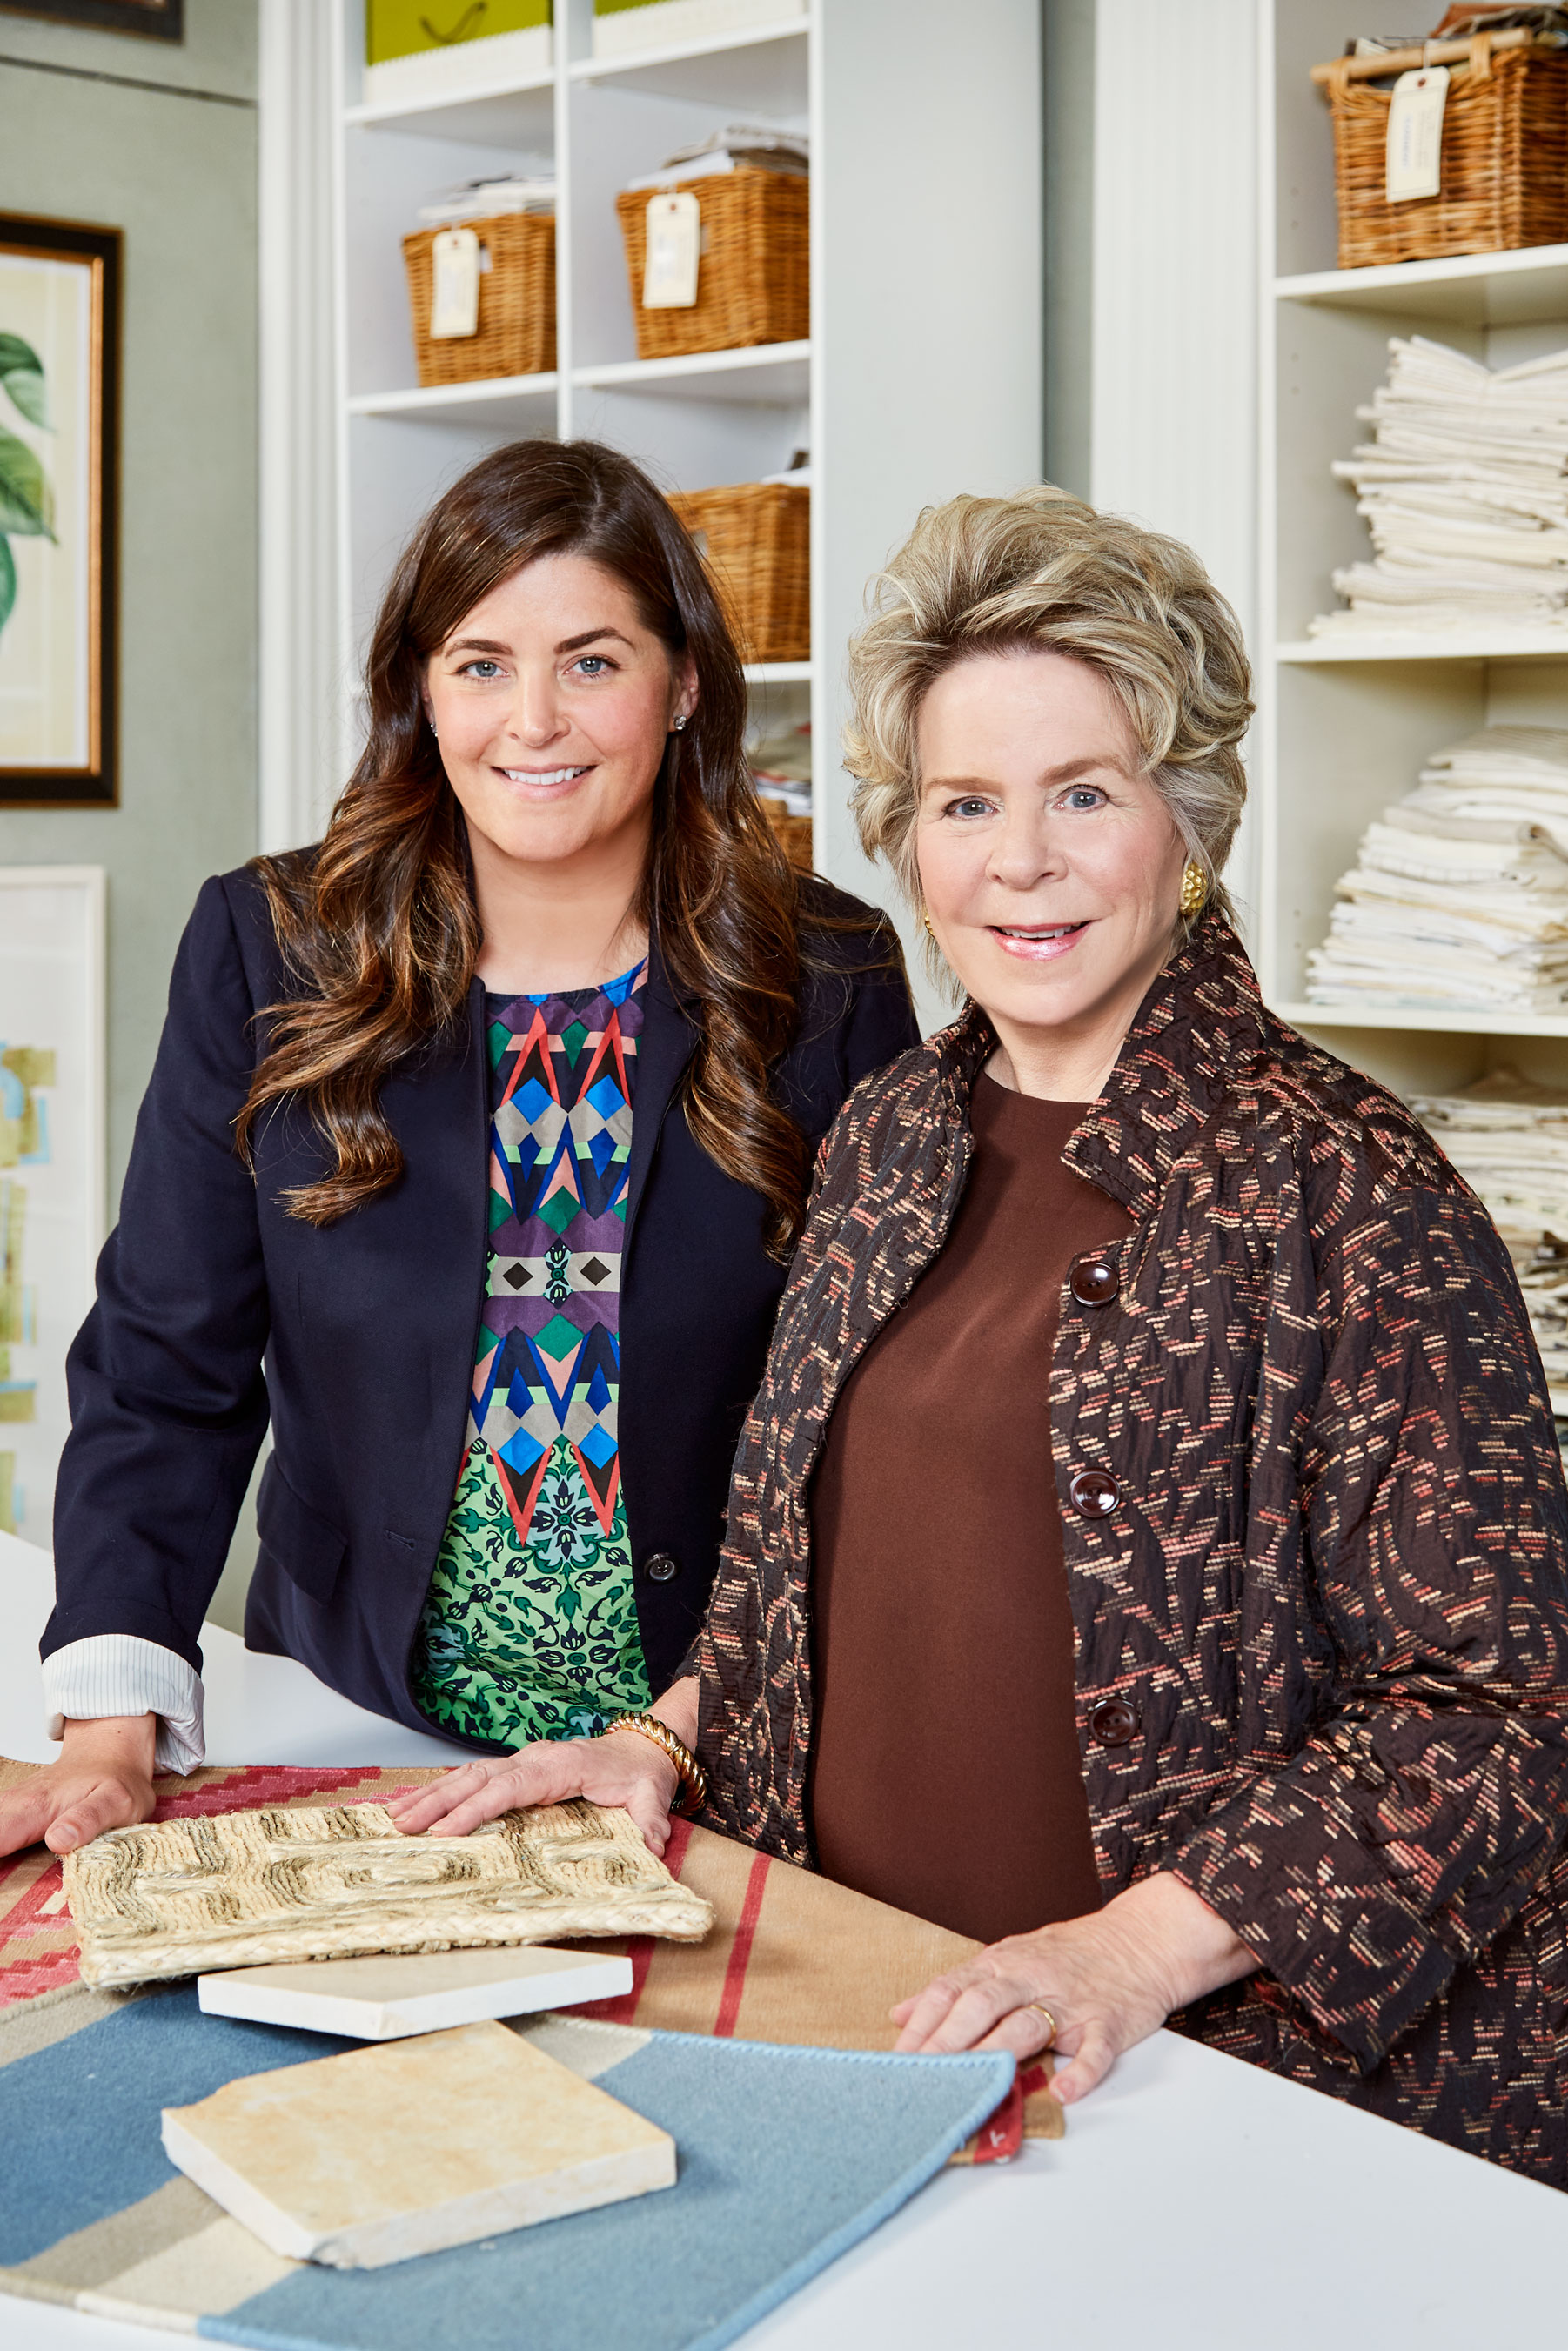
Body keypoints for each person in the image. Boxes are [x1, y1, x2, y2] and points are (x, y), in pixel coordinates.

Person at [392, 485, 1568, 2186]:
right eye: (964, 801)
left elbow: (1491, 1710)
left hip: (1204, 2081)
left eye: (1081, 792)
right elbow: (799, 1563)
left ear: (1186, 816)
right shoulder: (887, 1134)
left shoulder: (1345, 1186)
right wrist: (654, 1738)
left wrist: (1122, 1952)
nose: (1018, 858)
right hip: (869, 2022)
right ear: (907, 835)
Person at [0, 438, 917, 1864]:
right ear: (419, 692)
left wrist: (687, 1719)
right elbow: (162, 1356)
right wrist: (109, 1728)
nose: (533, 720)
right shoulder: (270, 950)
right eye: (481, 662)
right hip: (359, 1727)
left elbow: (876, 1419)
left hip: (705, 1748)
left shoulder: (829, 973)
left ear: (681, 685)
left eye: (592, 661)